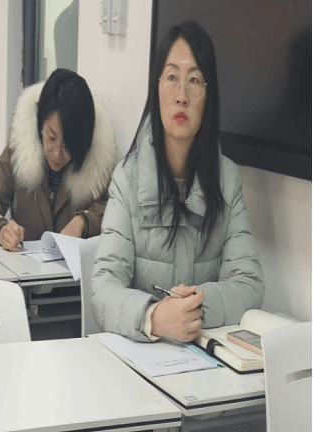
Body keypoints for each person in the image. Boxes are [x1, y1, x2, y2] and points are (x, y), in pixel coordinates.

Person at [91, 21, 265, 343]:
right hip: (141, 356)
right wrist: (154, 316)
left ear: (208, 95)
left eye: (194, 80)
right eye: (172, 77)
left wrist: (194, 308)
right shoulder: (127, 178)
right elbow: (103, 290)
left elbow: (249, 285)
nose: (182, 96)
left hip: (199, 358)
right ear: (156, 87)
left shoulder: (227, 179)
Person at [0, 68, 117, 251]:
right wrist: (0, 230)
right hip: (24, 265)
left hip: (73, 268)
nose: (57, 154)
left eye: (69, 145)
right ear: (40, 123)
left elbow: (114, 206)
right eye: (51, 137)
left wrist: (84, 222)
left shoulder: (99, 161)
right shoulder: (20, 152)